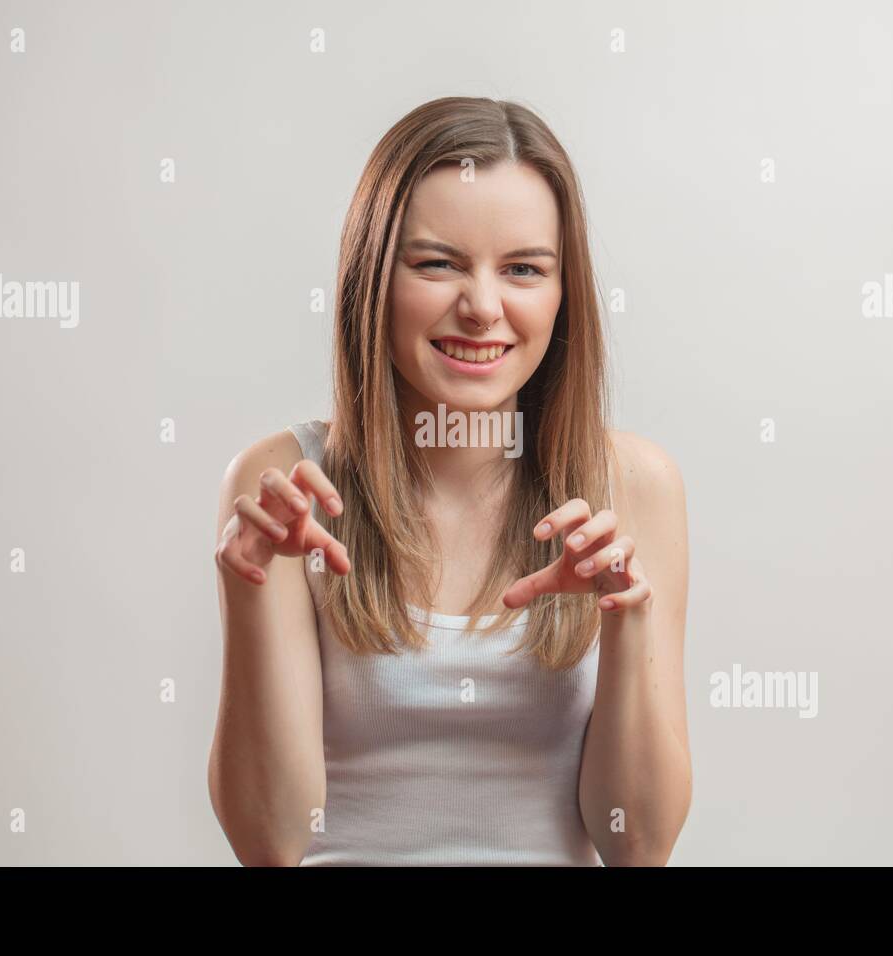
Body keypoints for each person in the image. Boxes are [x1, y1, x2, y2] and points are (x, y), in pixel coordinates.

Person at [209, 96, 692, 866]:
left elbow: (639, 845)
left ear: (564, 293)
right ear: (372, 278)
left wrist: (627, 624)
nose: (483, 308)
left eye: (524, 269)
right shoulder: (283, 482)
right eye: (438, 263)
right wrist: (248, 586)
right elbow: (271, 842)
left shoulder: (634, 485)